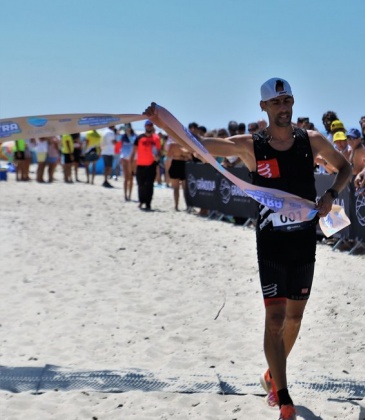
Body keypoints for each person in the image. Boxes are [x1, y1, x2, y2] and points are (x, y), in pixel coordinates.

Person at [146, 77, 350, 420]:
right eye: (277, 103)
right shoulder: (251, 146)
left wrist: (330, 194)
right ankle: (283, 395)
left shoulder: (311, 141)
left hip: (303, 240)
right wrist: (165, 122)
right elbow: (201, 146)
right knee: (275, 317)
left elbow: (345, 167)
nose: (284, 108)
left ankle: (273, 373)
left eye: (288, 102)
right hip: (270, 242)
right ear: (264, 108)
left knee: (295, 317)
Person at [130, 120, 161, 211]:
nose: (149, 127)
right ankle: (141, 201)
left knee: (149, 185)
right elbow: (134, 152)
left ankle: (148, 203)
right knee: (141, 185)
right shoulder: (139, 138)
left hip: (151, 165)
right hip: (140, 165)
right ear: (145, 126)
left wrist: (158, 157)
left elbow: (159, 152)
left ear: (152, 127)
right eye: (147, 125)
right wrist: (132, 166)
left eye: (150, 125)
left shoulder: (156, 139)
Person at [166, 135, 192, 211]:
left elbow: (168, 156)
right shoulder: (186, 145)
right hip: (184, 164)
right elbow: (190, 156)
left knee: (176, 188)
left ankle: (176, 206)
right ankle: (187, 205)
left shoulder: (173, 145)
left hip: (175, 164)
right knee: (185, 188)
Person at [119, 125, 136, 202]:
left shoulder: (134, 136)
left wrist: (129, 134)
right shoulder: (122, 136)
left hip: (132, 159)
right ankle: (125, 195)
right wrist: (119, 130)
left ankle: (130, 195)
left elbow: (133, 142)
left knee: (131, 178)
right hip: (124, 159)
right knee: (126, 178)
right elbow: (115, 140)